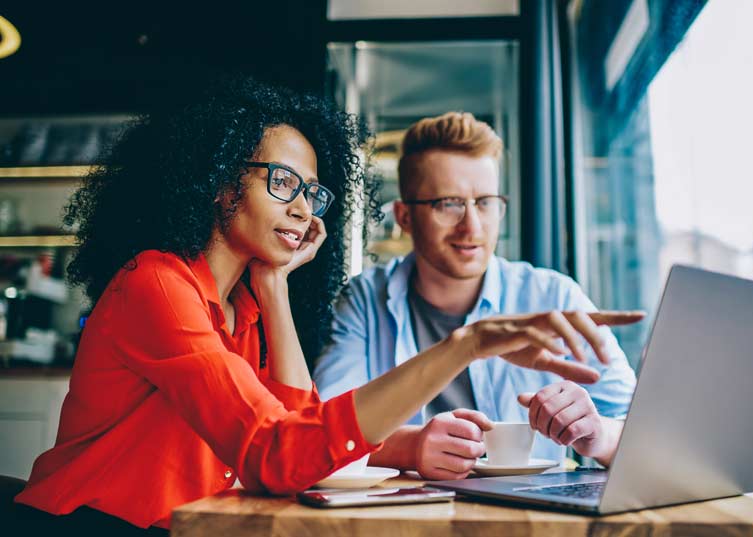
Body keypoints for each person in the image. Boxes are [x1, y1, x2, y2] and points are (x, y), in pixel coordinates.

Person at [13, 79, 639, 533]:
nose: (304, 210)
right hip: (89, 524)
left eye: (312, 192)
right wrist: (465, 346)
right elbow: (277, 453)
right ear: (221, 183)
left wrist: (276, 288)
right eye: (282, 183)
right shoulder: (157, 284)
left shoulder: (247, 309)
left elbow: (301, 439)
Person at [314, 112, 640, 480]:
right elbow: (322, 431)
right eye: (448, 204)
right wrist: (411, 446)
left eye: (485, 202)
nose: (472, 226)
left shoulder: (553, 295)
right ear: (404, 217)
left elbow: (644, 431)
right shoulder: (364, 299)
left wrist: (598, 435)